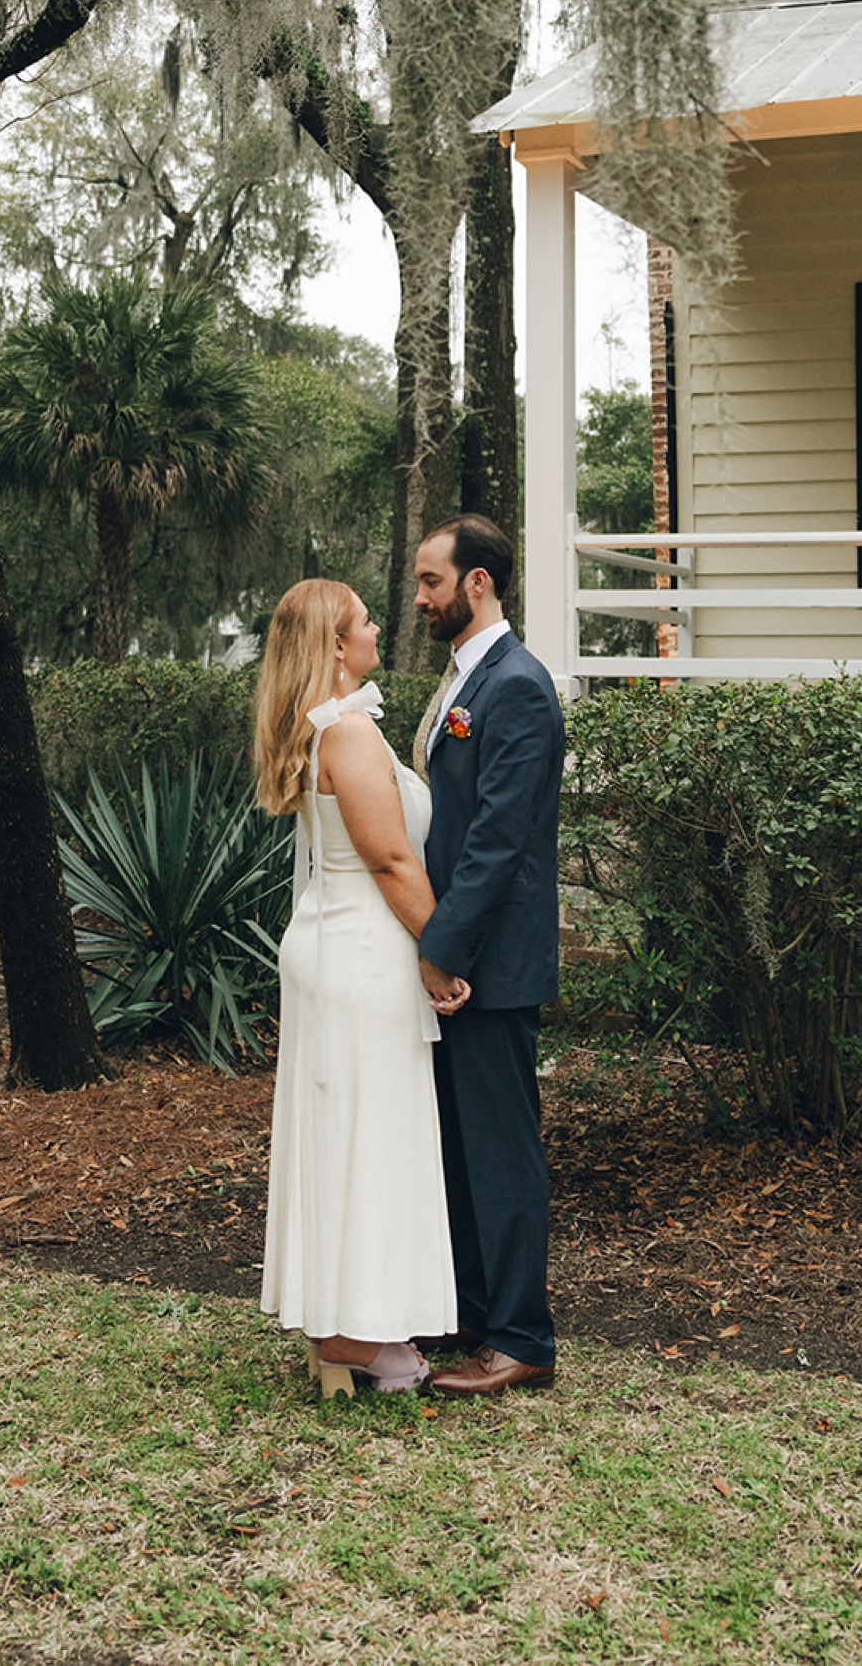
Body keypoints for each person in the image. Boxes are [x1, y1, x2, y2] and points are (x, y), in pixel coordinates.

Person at [254, 578, 466, 1396]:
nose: (380, 625)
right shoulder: (344, 732)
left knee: (347, 1134)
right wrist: (441, 950)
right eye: (365, 621)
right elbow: (390, 861)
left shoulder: (332, 727)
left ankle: (350, 1319)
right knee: (367, 1140)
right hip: (363, 954)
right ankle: (353, 1335)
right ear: (338, 646)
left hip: (334, 944)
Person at [412, 514, 565, 1398]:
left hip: (491, 965)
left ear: (477, 583)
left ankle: (521, 1337)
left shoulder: (518, 687)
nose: (422, 596)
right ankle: (475, 1314)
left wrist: (441, 949)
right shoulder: (467, 679)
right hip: (464, 961)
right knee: (465, 1150)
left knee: (503, 1152)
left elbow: (499, 842)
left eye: (433, 580)